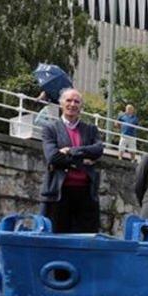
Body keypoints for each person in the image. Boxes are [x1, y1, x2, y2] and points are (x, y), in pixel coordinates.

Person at [40, 89, 104, 233]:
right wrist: (81, 161)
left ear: (81, 106)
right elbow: (53, 157)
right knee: (57, 238)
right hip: (59, 194)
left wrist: (71, 150)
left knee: (85, 240)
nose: (72, 104)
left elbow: (98, 150)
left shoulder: (90, 129)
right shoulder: (51, 129)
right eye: (68, 100)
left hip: (86, 195)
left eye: (76, 101)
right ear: (61, 104)